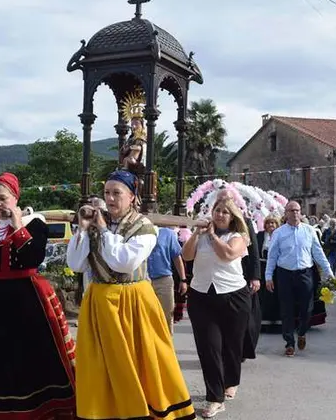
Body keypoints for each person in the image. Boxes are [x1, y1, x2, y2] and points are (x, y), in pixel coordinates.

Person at [66, 170, 196, 420]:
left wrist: (103, 230)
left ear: (132, 196)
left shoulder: (145, 227)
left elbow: (123, 262)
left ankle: (144, 411)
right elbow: (76, 264)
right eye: (107, 193)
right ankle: (107, 412)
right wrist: (82, 230)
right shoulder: (95, 224)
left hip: (133, 302)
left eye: (117, 193)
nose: (111, 198)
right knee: (101, 365)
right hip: (100, 303)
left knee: (141, 362)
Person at [0, 173, 76, 419]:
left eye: (3, 198)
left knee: (26, 362)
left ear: (15, 198)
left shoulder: (35, 223)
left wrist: (17, 225)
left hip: (26, 302)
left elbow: (33, 258)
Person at [182, 197, 253, 418]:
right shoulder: (202, 235)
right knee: (209, 347)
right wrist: (197, 233)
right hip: (202, 296)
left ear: (232, 217)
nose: (220, 215)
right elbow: (186, 255)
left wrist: (212, 236)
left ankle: (230, 381)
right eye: (217, 210)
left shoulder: (238, 236)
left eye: (225, 212)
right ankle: (215, 397)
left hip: (233, 296)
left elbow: (228, 255)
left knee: (232, 346)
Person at [265, 200, 334, 357]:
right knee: (286, 309)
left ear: (301, 213)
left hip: (305, 273)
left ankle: (302, 332)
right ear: (286, 214)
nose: (295, 213)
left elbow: (318, 253)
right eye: (291, 210)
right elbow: (272, 256)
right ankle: (289, 342)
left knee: (307, 308)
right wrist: (268, 276)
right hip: (285, 274)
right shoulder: (279, 233)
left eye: (297, 210)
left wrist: (329, 272)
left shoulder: (309, 231)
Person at [147, 226, 188, 334]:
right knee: (144, 316)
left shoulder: (167, 233)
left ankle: (167, 345)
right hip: (143, 281)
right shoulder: (138, 230)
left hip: (163, 280)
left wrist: (183, 280)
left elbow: (176, 257)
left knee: (166, 315)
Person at [241, 218, 263, 362]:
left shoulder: (245, 222)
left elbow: (254, 251)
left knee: (245, 315)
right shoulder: (212, 223)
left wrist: (255, 277)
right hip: (219, 278)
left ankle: (243, 349)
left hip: (243, 275)